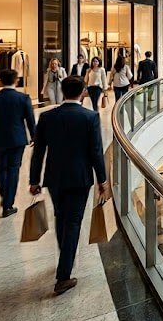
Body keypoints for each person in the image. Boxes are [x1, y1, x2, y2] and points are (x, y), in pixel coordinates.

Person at [26, 75, 106, 295]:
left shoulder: (47, 117)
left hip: (55, 178)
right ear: (83, 92)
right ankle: (63, 275)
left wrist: (34, 180)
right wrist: (102, 179)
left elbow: (38, 152)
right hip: (80, 178)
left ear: (62, 91)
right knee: (73, 223)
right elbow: (96, 152)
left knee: (61, 217)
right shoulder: (89, 117)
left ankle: (65, 256)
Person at [0, 68, 36, 218]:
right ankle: (8, 204)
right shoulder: (23, 98)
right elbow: (30, 120)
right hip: (17, 139)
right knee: (13, 169)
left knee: (1, 168)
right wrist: (35, 137)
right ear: (16, 80)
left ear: (0, 80)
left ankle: (5, 195)